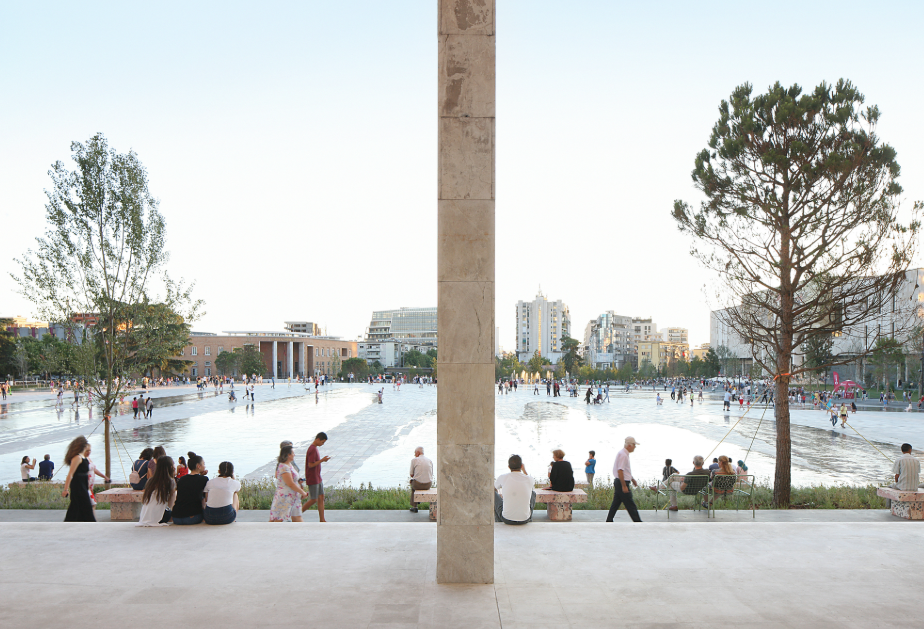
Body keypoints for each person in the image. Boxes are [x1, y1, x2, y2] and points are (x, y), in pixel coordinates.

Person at [605, 437, 642, 522]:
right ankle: (638, 521)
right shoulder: (623, 455)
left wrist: (632, 479)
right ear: (629, 445)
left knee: (616, 503)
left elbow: (625, 471)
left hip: (621, 481)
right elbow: (620, 470)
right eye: (634, 445)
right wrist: (624, 486)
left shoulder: (623, 454)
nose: (635, 447)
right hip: (622, 482)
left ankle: (609, 520)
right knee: (630, 504)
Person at [494, 454, 536, 524]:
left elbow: (495, 487)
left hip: (507, 519)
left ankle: (498, 521)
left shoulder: (503, 477)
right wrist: (524, 470)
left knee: (493, 494)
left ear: (509, 467)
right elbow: (531, 486)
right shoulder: (529, 479)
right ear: (521, 466)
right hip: (525, 519)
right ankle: (530, 518)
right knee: (533, 493)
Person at [270, 445, 308, 522]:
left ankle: (304, 532)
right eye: (293, 453)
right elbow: (290, 483)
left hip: (293, 497)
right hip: (285, 497)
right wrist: (302, 492)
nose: (294, 455)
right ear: (288, 455)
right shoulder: (284, 467)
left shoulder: (289, 465)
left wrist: (299, 484)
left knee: (297, 517)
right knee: (278, 519)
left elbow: (293, 480)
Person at [62, 436, 95, 522]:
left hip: (83, 484)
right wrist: (66, 489)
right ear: (83, 446)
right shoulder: (77, 458)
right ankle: (90, 523)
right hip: (78, 485)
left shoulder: (84, 457)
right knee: (83, 505)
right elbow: (70, 474)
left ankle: (71, 522)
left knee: (77, 506)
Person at [137, 456, 176, 526]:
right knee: (174, 494)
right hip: (161, 517)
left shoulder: (150, 481)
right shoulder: (170, 481)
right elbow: (171, 502)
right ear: (170, 467)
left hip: (145, 516)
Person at [172, 452, 209, 525]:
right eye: (203, 464)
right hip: (192, 518)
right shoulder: (204, 479)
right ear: (198, 466)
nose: (204, 466)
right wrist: (202, 476)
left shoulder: (182, 479)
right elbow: (206, 497)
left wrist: (201, 475)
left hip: (176, 518)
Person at [302, 432, 331, 521]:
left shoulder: (315, 448)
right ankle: (297, 513)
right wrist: (322, 460)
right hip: (313, 478)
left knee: (321, 497)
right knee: (314, 499)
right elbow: (310, 465)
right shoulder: (312, 449)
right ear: (318, 439)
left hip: (318, 477)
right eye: (322, 442)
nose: (322, 444)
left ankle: (322, 519)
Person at [408, 446, 433, 513]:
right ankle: (418, 500)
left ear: (418, 453)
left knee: (412, 484)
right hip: (428, 485)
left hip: (417, 485)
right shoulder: (429, 460)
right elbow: (431, 474)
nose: (414, 455)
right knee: (415, 481)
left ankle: (414, 506)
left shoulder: (414, 460)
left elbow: (411, 474)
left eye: (415, 453)